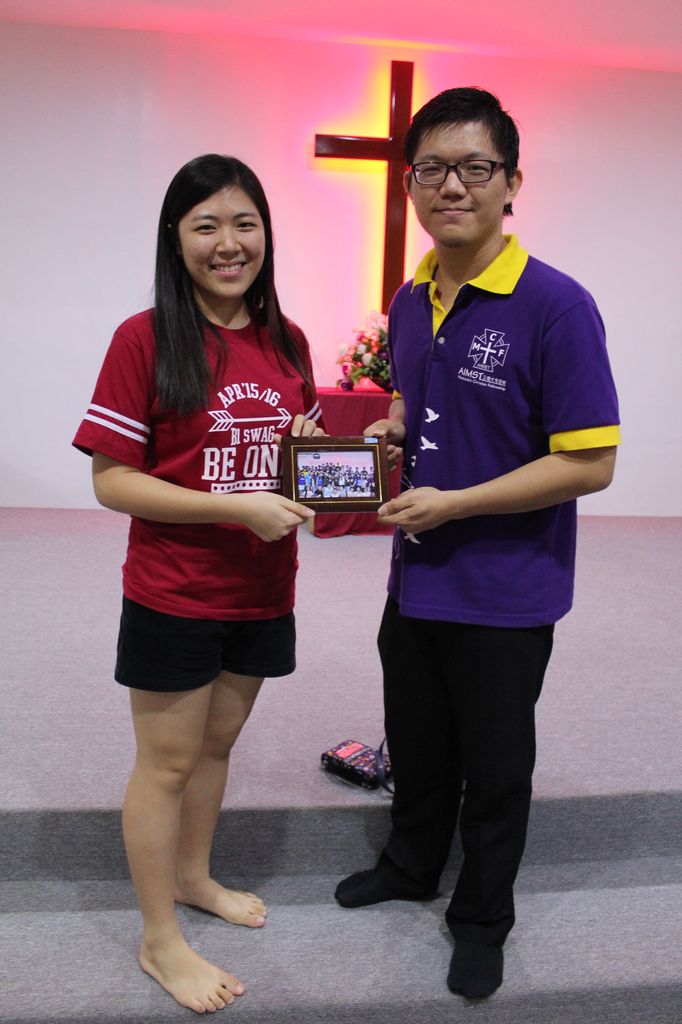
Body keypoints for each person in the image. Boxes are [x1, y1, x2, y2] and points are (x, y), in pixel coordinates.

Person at [335, 88, 620, 1000]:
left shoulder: (557, 306)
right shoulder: (410, 298)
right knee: (418, 743)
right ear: (410, 183)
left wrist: (456, 505)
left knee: (496, 769)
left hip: (506, 588)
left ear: (511, 183)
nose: (450, 186)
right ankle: (411, 866)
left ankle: (483, 917)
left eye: (474, 168)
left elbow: (591, 463)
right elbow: (415, 393)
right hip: (415, 578)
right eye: (432, 169)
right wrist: (391, 425)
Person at [73, 154, 323, 1014]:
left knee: (215, 749)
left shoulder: (288, 341)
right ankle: (158, 938)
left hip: (264, 589)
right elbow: (112, 481)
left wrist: (315, 466)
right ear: (175, 239)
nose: (229, 243)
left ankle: (193, 876)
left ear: (266, 235)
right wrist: (232, 508)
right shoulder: (143, 338)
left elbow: (290, 457)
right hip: (175, 592)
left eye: (245, 223)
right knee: (167, 762)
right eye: (206, 225)